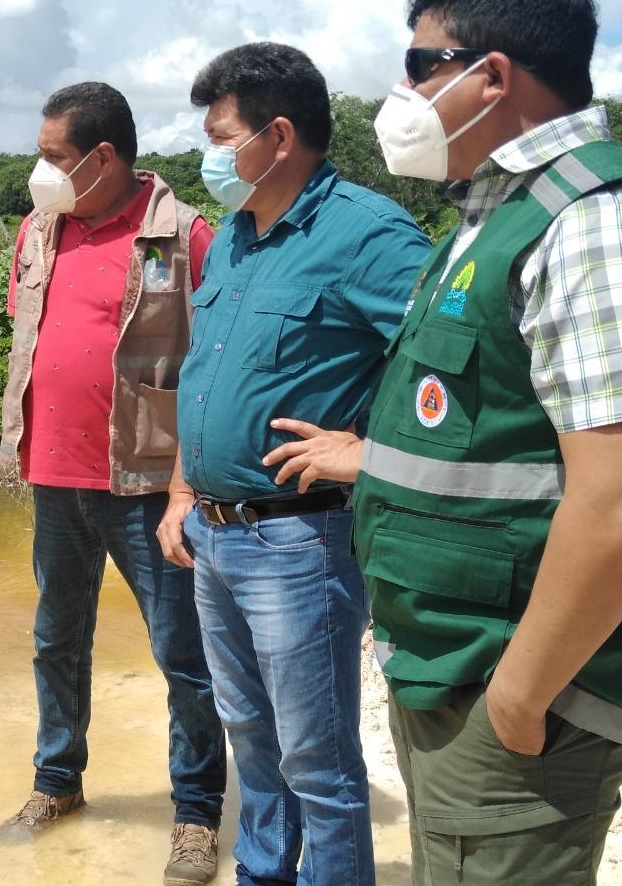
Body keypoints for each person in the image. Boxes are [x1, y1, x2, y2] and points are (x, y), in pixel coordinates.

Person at [264, 0, 622, 885]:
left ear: (491, 76)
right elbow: (499, 438)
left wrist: (521, 694)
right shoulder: (492, 217)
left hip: (522, 688)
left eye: (421, 65)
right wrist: (371, 457)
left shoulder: (598, 223)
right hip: (453, 669)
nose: (404, 93)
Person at [156, 43, 430, 886]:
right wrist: (180, 492)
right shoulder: (235, 237)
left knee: (319, 762)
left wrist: (368, 454)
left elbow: (460, 371)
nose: (209, 154)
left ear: (278, 137)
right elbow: (207, 379)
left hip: (300, 544)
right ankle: (261, 875)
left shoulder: (368, 234)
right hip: (215, 535)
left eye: (220, 135)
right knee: (256, 747)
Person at [0, 81, 227, 886]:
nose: (41, 171)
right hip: (55, 480)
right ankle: (57, 783)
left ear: (103, 158)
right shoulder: (38, 230)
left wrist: (184, 488)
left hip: (146, 486)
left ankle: (196, 814)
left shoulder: (184, 236)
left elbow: (214, 367)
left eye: (55, 156)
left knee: (183, 656)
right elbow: (31, 336)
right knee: (57, 640)